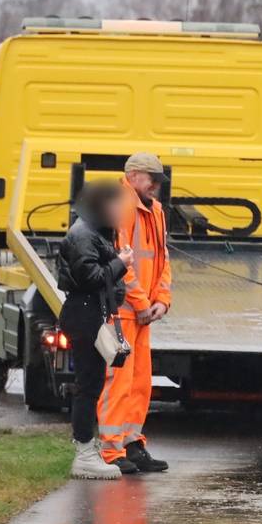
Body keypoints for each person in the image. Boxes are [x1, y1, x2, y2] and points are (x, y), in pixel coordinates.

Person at [98, 151, 173, 474]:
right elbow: (121, 262)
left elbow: (162, 257)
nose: (156, 186)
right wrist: (144, 303)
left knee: (140, 382)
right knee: (118, 382)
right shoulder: (121, 206)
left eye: (158, 180)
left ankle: (131, 444)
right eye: (151, 179)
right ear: (132, 176)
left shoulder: (154, 210)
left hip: (141, 314)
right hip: (122, 313)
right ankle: (111, 451)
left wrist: (162, 299)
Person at [57, 181, 133, 480]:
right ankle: (85, 453)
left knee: (93, 384)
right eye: (116, 206)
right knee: (88, 386)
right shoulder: (83, 235)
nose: (120, 212)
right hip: (85, 316)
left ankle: (90, 447)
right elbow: (90, 276)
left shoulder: (93, 232)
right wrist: (121, 263)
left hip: (92, 315)